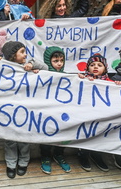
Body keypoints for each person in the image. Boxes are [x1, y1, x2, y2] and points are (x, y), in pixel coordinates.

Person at [1, 41, 48, 179]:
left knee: (23, 138)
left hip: (24, 110)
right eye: (22, 52)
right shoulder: (3, 67)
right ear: (12, 56)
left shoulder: (28, 67)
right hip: (8, 110)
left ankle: (23, 161)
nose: (25, 54)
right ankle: (11, 163)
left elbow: (45, 67)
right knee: (9, 139)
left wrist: (32, 65)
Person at [77, 54, 111, 172]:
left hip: (101, 114)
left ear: (105, 68)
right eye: (92, 65)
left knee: (99, 135)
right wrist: (81, 79)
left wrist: (118, 85)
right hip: (86, 113)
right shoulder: (83, 78)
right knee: (85, 134)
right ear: (87, 68)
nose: (95, 67)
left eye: (99, 65)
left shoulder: (110, 82)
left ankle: (96, 155)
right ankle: (83, 154)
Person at [40, 46, 71, 174]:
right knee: (46, 134)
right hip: (47, 111)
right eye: (55, 61)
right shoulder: (43, 74)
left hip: (62, 111)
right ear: (48, 62)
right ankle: (45, 156)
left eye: (61, 60)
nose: (59, 63)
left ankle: (59, 154)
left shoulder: (68, 77)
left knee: (62, 133)